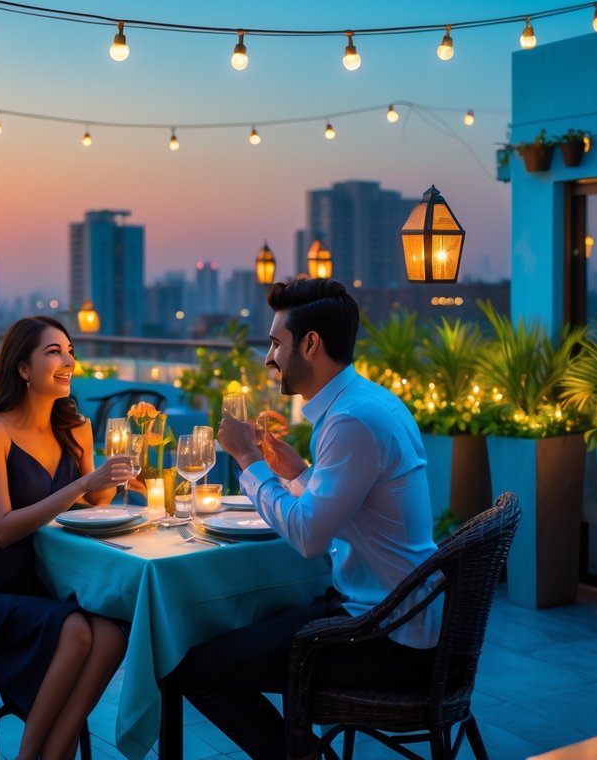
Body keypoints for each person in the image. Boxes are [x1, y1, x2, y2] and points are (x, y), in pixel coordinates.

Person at [170, 278, 441, 760]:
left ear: (310, 343)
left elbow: (309, 536)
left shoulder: (351, 421)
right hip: (397, 613)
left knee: (196, 670)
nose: (268, 357)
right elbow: (342, 503)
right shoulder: (364, 402)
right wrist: (294, 472)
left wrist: (249, 461)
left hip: (388, 637)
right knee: (249, 626)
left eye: (276, 343)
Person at [0, 316, 132, 760]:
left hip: (30, 586)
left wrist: (113, 471)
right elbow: (2, 529)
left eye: (69, 350)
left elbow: (95, 502)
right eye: (53, 351)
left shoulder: (75, 428)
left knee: (113, 635)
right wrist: (76, 485)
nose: (67, 360)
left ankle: (54, 753)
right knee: (75, 631)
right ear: (22, 368)